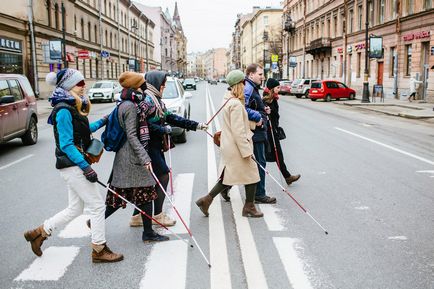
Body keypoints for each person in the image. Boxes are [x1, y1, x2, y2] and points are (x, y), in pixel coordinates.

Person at [24, 68, 123, 263]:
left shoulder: (73, 106)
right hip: (72, 166)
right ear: (69, 86)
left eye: (83, 82)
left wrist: (104, 120)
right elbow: (66, 144)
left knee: (75, 209)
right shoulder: (62, 110)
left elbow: (83, 132)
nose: (83, 85)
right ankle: (99, 249)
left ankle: (39, 233)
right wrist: (85, 167)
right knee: (96, 206)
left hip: (73, 165)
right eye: (79, 83)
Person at [129, 70, 208, 227]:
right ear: (155, 83)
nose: (164, 86)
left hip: (155, 145)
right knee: (163, 175)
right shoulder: (148, 101)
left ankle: (137, 216)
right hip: (148, 146)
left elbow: (171, 117)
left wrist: (196, 125)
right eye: (163, 83)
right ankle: (158, 214)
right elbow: (142, 125)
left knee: (151, 180)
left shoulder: (156, 100)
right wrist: (164, 130)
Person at [103, 72, 169, 243]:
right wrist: (145, 157)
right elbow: (132, 135)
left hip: (126, 157)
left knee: (131, 194)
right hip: (132, 158)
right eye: (142, 85)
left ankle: (147, 232)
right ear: (136, 87)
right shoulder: (131, 107)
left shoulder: (123, 103)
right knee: (143, 192)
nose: (145, 87)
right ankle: (147, 233)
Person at [195, 70, 263, 218]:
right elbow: (238, 131)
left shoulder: (228, 99)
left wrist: (252, 123)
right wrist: (247, 151)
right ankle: (249, 207)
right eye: (244, 83)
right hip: (237, 147)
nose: (245, 86)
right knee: (252, 175)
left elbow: (235, 124)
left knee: (228, 177)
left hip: (229, 144)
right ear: (239, 85)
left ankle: (206, 200)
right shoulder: (237, 105)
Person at [244, 64, 276, 204]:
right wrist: (258, 116)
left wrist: (264, 109)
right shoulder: (248, 88)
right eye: (260, 74)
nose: (263, 77)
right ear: (251, 75)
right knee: (259, 163)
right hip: (255, 132)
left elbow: (252, 105)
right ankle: (259, 194)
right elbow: (242, 107)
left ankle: (224, 188)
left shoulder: (252, 87)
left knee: (250, 163)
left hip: (257, 131)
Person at [263, 78, 301, 185]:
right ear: (272, 88)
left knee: (278, 155)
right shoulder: (266, 100)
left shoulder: (273, 99)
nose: (279, 89)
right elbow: (267, 115)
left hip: (273, 131)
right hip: (268, 133)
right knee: (260, 158)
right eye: (277, 87)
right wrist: (269, 113)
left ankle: (287, 177)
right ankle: (228, 185)